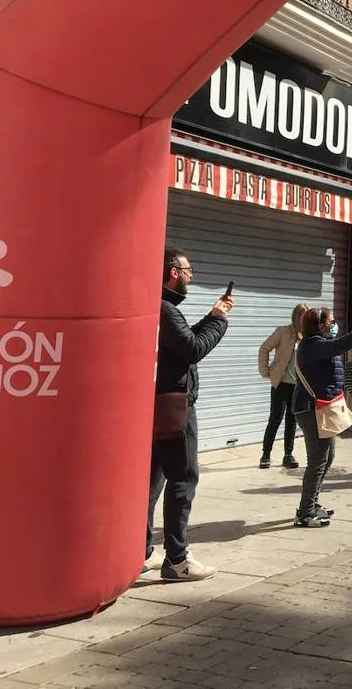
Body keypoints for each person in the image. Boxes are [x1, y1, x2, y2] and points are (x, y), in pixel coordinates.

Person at [147, 248, 232, 581]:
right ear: (173, 272)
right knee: (183, 477)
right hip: (174, 407)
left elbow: (184, 342)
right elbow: (194, 349)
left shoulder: (160, 307)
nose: (191, 276)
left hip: (157, 403)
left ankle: (141, 552)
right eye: (188, 270)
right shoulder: (165, 309)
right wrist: (220, 321)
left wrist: (213, 316)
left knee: (153, 481)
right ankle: (178, 559)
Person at [293, 307, 352, 526]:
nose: (335, 324)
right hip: (312, 409)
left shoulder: (320, 345)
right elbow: (338, 345)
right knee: (317, 462)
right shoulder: (313, 345)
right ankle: (305, 513)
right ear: (320, 326)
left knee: (327, 459)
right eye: (331, 321)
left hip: (325, 408)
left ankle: (312, 503)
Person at [256, 303, 308, 470]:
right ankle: (265, 454)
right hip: (281, 383)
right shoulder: (283, 332)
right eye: (301, 315)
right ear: (295, 317)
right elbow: (264, 348)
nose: (302, 319)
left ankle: (288, 454)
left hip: (298, 386)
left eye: (306, 316)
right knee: (275, 419)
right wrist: (266, 372)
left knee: (292, 421)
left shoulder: (308, 336)